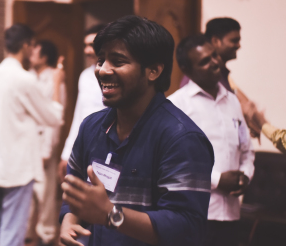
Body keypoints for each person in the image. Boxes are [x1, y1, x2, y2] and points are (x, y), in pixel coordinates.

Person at [59, 16, 214, 246]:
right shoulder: (91, 127)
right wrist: (68, 221)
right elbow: (75, 194)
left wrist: (111, 214)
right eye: (101, 60)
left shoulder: (182, 138)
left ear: (153, 71)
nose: (102, 70)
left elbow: (187, 228)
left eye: (118, 61)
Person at [0, 24, 64, 246]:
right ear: (26, 45)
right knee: (12, 230)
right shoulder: (24, 79)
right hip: (17, 165)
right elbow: (53, 117)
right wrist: (57, 83)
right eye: (33, 45)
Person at [169, 34, 255, 246]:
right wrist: (216, 180)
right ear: (187, 70)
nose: (215, 62)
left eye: (214, 55)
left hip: (232, 212)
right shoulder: (176, 105)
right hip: (196, 214)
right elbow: (172, 162)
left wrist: (245, 176)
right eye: (205, 61)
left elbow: (247, 150)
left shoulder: (232, 101)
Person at [27, 39, 66, 245]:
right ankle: (26, 236)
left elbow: (55, 119)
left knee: (46, 195)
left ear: (44, 56)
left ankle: (47, 236)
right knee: (26, 195)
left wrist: (47, 150)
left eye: (35, 50)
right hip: (25, 144)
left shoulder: (55, 78)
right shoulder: (28, 77)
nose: (31, 53)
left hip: (43, 145)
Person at [58, 24, 106, 181]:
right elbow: (79, 115)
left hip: (107, 147)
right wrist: (66, 153)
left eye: (92, 45)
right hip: (84, 146)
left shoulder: (113, 75)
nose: (87, 50)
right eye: (85, 45)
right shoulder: (85, 76)